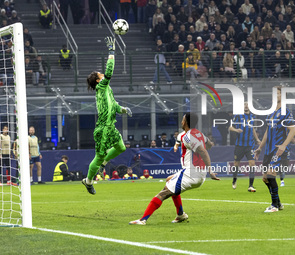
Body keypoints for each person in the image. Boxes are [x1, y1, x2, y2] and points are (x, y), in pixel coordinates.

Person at [129, 113, 220, 225]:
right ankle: (180, 214)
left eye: (182, 120)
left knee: (163, 193)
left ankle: (142, 220)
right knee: (169, 180)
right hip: (197, 173)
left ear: (186, 122)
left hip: (191, 174)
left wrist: (210, 171)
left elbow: (203, 151)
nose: (181, 122)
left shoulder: (188, 136)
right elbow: (209, 144)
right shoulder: (200, 134)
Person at [82, 37, 132, 195]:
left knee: (121, 147)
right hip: (103, 129)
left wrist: (124, 110)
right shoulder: (101, 87)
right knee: (98, 157)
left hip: (110, 128)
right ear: (98, 80)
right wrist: (111, 52)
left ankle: (104, 162)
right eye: (100, 74)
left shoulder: (107, 90)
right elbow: (109, 72)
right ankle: (88, 181)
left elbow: (115, 106)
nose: (103, 74)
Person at [255, 86, 295, 212]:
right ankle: (278, 203)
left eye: (277, 93)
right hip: (268, 149)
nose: (275, 96)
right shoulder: (272, 111)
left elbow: (293, 131)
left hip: (279, 149)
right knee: (265, 178)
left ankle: (274, 206)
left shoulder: (285, 111)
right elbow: (267, 131)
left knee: (271, 175)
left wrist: (283, 146)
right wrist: (260, 147)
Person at [229, 102, 261, 192]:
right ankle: (234, 180)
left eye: (247, 104)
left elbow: (253, 129)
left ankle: (251, 185)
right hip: (239, 145)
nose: (246, 106)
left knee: (252, 164)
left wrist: (257, 139)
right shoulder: (238, 116)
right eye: (244, 104)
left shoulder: (252, 116)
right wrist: (236, 130)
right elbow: (230, 127)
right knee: (236, 164)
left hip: (250, 145)